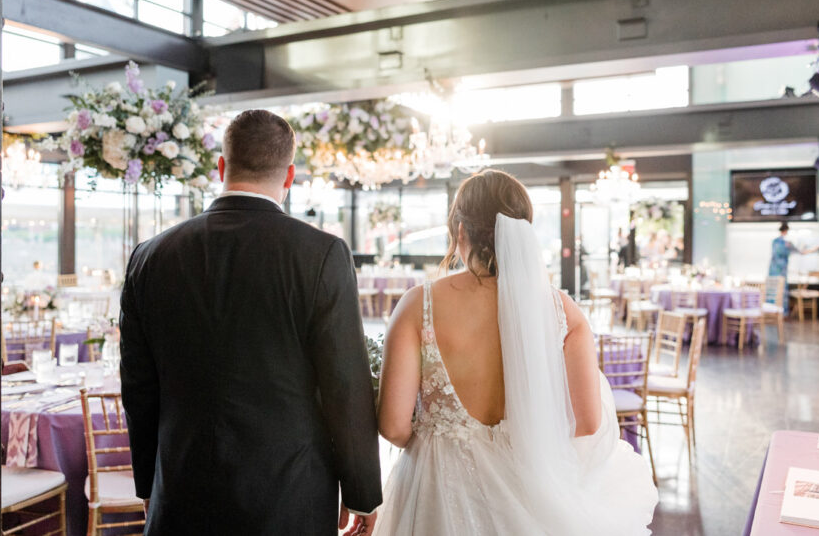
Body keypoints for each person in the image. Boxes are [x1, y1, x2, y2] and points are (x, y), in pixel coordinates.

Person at [120, 110, 382, 535]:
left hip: (181, 487)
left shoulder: (149, 256)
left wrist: (149, 482)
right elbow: (345, 384)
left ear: (222, 167)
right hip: (289, 492)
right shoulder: (321, 255)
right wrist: (361, 490)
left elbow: (138, 387)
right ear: (290, 175)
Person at [374, 170, 657, 535]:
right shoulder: (563, 312)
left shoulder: (418, 304)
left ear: (460, 231)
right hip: (530, 488)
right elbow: (588, 421)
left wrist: (440, 441)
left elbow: (393, 426)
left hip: (438, 489)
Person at [768, 221, 817, 313]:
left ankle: (772, 311)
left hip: (774, 270)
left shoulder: (776, 242)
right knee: (781, 290)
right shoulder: (787, 243)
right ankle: (781, 312)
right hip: (781, 271)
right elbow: (801, 252)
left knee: (773, 290)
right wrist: (814, 249)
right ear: (786, 230)